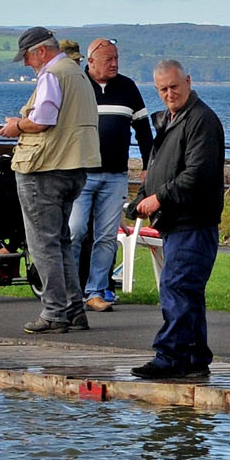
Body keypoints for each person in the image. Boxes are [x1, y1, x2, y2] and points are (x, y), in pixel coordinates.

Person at [0, 26, 102, 334]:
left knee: (43, 244)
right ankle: (73, 310)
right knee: (60, 241)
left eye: (28, 58)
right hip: (75, 167)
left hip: (44, 169)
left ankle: (54, 311)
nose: (28, 64)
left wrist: (17, 125)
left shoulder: (52, 75)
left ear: (41, 51)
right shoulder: (77, 73)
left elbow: (43, 120)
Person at [131, 60, 225, 381]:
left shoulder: (202, 120)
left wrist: (159, 197)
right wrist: (143, 194)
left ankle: (170, 355)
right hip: (175, 221)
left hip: (194, 221)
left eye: (174, 86)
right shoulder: (171, 120)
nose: (169, 93)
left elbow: (198, 173)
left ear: (188, 80)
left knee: (177, 287)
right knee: (187, 291)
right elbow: (158, 164)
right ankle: (195, 356)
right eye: (162, 89)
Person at [69, 39, 155, 314]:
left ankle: (95, 290)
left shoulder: (128, 87)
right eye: (109, 59)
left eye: (116, 58)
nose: (115, 64)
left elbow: (143, 130)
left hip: (116, 175)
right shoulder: (77, 84)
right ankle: (68, 290)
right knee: (75, 231)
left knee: (106, 236)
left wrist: (147, 165)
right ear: (91, 61)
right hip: (82, 174)